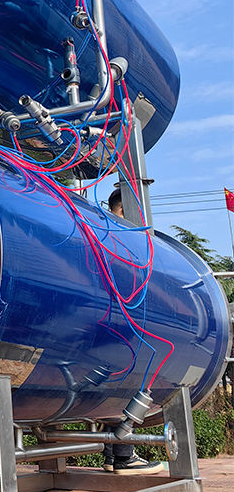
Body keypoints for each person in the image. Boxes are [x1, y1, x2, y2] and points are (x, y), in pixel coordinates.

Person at [101, 188, 164, 475]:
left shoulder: (100, 232)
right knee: (126, 385)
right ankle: (124, 456)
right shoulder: (125, 238)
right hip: (120, 326)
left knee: (109, 389)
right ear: (125, 210)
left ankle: (112, 455)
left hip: (103, 325)